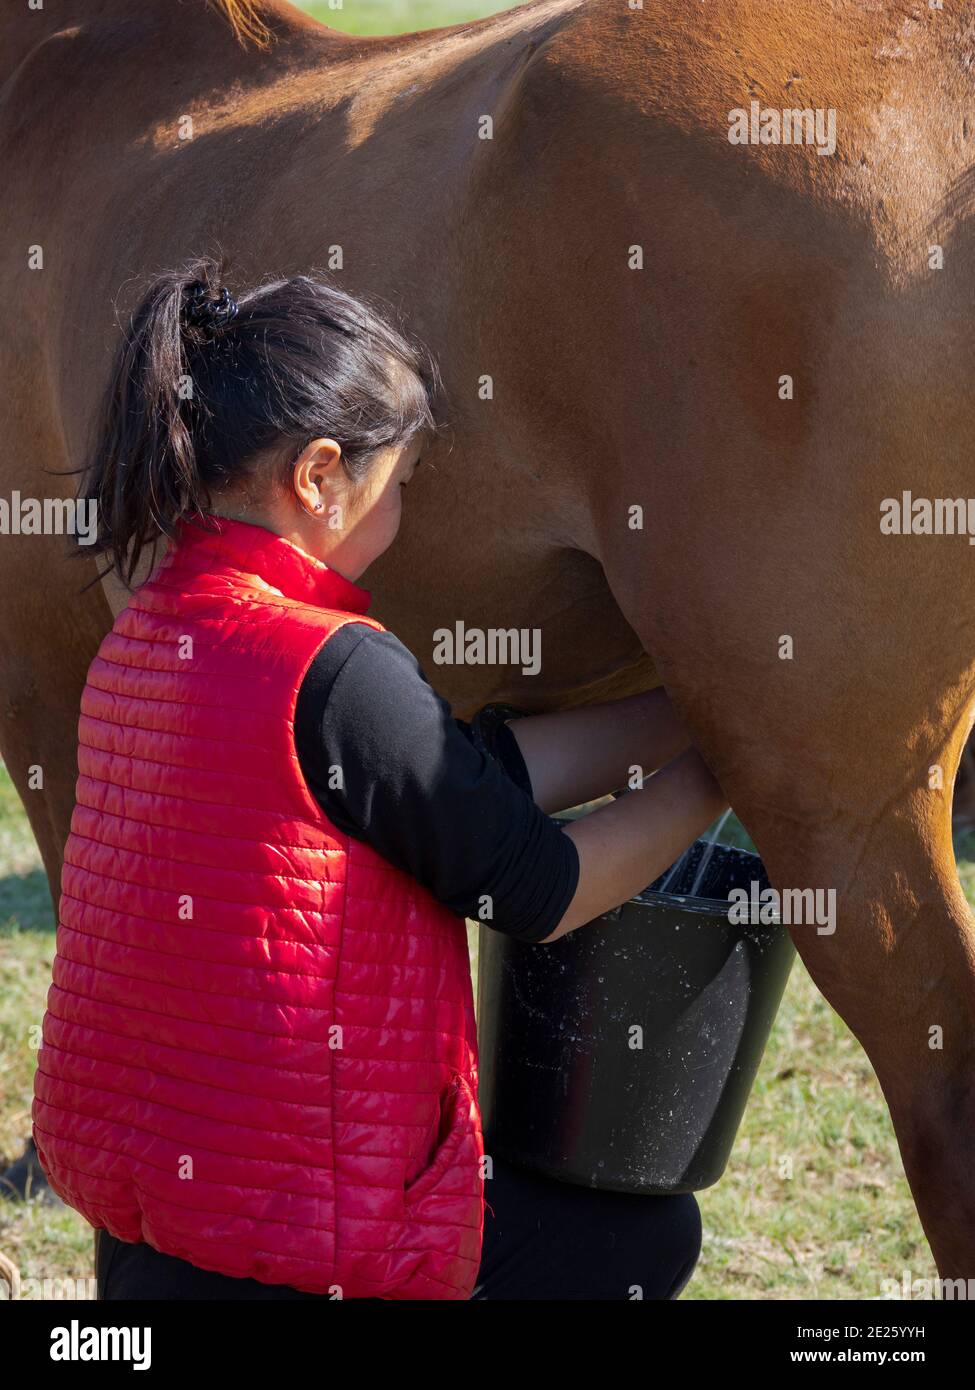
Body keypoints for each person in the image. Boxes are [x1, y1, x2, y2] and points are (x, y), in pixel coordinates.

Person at [31, 259, 727, 1300]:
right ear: (318, 476)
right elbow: (539, 887)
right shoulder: (333, 662)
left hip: (160, 1236)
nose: (402, 511)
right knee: (640, 1238)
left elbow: (447, 786)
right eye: (399, 484)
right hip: (311, 1245)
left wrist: (682, 713)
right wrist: (719, 775)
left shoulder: (150, 633)